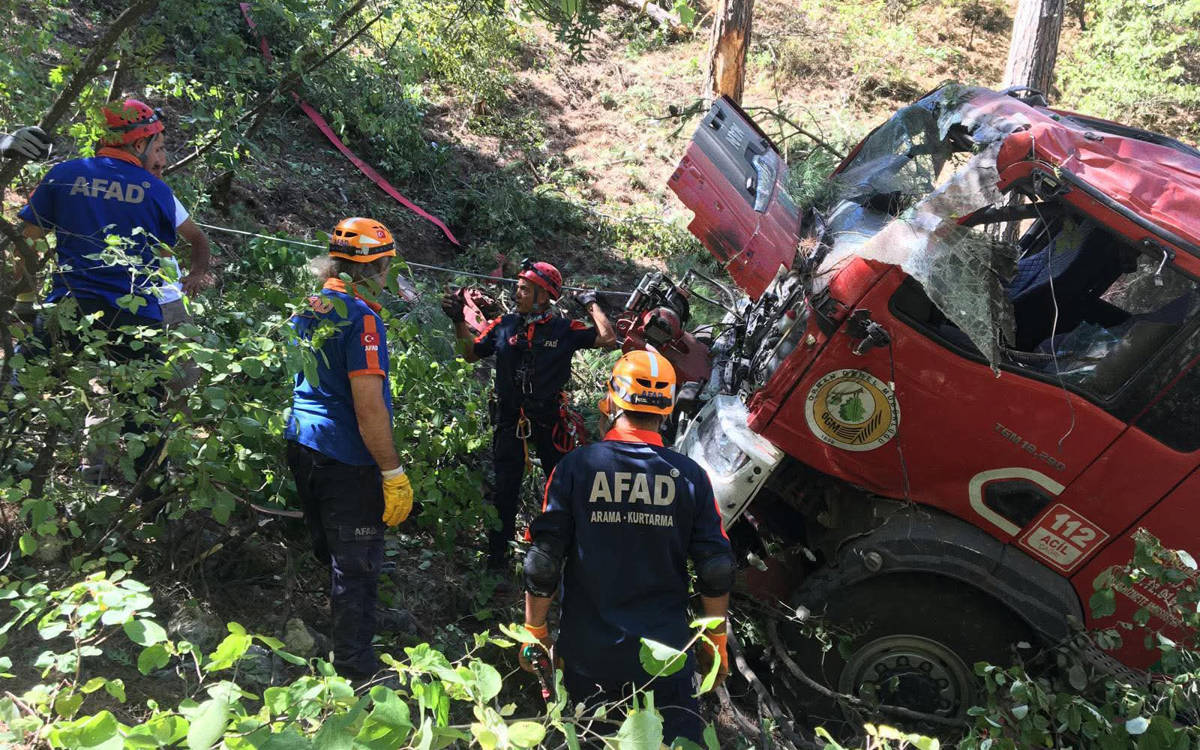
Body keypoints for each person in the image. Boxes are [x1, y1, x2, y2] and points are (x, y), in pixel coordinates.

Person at [521, 350, 735, 745]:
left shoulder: (574, 469)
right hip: (666, 654)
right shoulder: (690, 477)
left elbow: (544, 560)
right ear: (667, 409)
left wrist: (536, 631)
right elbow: (715, 568)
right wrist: (714, 641)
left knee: (587, 738)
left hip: (588, 653)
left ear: (613, 399)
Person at [284, 216, 415, 682]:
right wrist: (391, 470)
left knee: (334, 555)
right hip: (346, 456)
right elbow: (369, 408)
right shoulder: (362, 320)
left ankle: (336, 646)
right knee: (357, 569)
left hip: (302, 442)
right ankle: (356, 675)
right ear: (373, 268)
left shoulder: (312, 303)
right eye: (385, 267)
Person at [441, 260, 616, 574]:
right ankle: (497, 561)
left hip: (549, 420)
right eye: (518, 287)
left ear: (543, 295)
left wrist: (590, 304)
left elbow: (606, 337)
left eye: (524, 289)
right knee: (505, 490)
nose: (517, 293)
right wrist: (458, 322)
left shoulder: (563, 330)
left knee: (561, 487)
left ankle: (563, 551)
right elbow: (470, 354)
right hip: (510, 421)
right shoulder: (504, 325)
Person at [144, 147, 214, 327]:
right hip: (130, 298)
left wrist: (196, 273)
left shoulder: (165, 198)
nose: (159, 175)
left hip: (169, 299)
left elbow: (198, 238)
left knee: (188, 354)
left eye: (162, 169)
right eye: (154, 168)